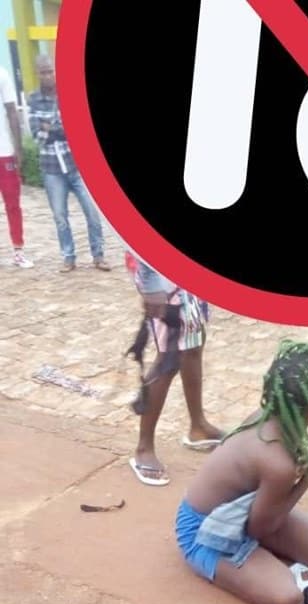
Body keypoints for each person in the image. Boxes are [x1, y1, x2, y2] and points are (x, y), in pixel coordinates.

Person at [175, 339, 308, 604]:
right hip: (206, 532)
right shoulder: (278, 464)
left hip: (245, 515)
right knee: (288, 598)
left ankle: (259, 545)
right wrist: (307, 480)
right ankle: (225, 561)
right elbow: (260, 529)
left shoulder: (268, 417)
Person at [125, 253, 223, 485]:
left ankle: (198, 427)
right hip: (162, 278)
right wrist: (151, 285)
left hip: (187, 271)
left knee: (193, 346)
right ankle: (144, 447)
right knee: (168, 359)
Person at [27, 55, 110, 273]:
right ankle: (68, 257)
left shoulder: (69, 94)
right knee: (60, 216)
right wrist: (58, 129)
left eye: (50, 71)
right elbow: (37, 137)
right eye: (44, 72)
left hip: (77, 165)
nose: (48, 75)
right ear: (38, 74)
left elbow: (78, 130)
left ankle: (98, 255)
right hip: (52, 168)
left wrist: (50, 128)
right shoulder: (33, 100)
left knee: (92, 212)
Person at [0, 64, 33, 268]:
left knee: (13, 203)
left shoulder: (2, 74)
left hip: (4, 151)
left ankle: (18, 251)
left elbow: (12, 111)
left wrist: (19, 149)